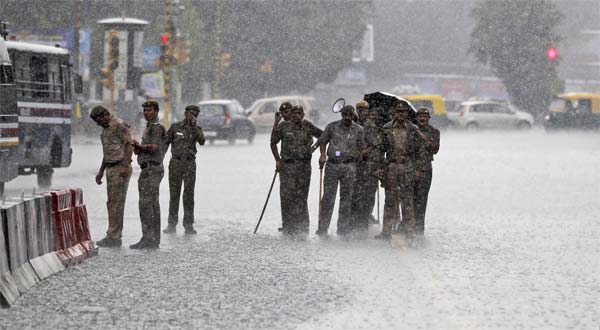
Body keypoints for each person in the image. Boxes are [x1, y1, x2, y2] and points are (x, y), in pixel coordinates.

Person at [270, 105, 322, 235]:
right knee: (287, 196)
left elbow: (323, 135)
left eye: (299, 113)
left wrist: (314, 147)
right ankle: (287, 224)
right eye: (294, 113)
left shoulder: (307, 125)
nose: (296, 115)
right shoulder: (283, 126)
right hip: (287, 166)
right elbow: (273, 142)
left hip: (304, 165)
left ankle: (302, 225)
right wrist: (277, 160)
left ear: (303, 115)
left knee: (301, 196)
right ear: (291, 114)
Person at [375, 101, 422, 241]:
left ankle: (410, 233)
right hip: (391, 167)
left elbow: (419, 152)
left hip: (407, 167)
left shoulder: (413, 129)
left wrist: (418, 169)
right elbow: (380, 150)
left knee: (407, 201)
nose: (400, 114)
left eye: (403, 111)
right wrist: (378, 167)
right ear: (393, 113)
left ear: (407, 113)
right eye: (398, 111)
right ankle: (386, 232)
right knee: (390, 201)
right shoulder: (386, 128)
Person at [316, 105, 364, 236]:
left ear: (353, 115)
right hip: (332, 165)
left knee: (346, 199)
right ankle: (322, 227)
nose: (346, 117)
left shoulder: (359, 130)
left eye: (349, 114)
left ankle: (342, 228)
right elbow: (323, 141)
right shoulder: (332, 126)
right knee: (327, 198)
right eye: (344, 114)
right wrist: (322, 155)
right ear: (341, 114)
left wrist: (359, 155)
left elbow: (363, 146)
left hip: (349, 166)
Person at [90, 105, 133, 248]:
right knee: (112, 203)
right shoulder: (106, 130)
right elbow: (107, 152)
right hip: (110, 168)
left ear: (104, 115)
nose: (97, 124)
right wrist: (101, 171)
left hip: (120, 167)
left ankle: (114, 236)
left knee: (117, 203)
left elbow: (129, 145)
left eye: (98, 121)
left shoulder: (119, 126)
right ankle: (113, 234)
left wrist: (125, 166)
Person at [163, 105, 206, 235]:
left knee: (188, 195)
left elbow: (202, 141)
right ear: (185, 113)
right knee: (174, 194)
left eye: (194, 115)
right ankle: (171, 224)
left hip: (189, 163)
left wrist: (194, 127)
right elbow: (165, 143)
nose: (191, 116)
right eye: (189, 114)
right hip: (175, 163)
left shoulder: (196, 129)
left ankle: (188, 225)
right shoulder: (175, 127)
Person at [130, 100, 167, 249]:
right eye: (145, 110)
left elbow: (154, 147)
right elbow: (148, 148)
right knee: (152, 205)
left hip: (152, 169)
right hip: (149, 168)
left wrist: (139, 146)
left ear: (156, 111)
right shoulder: (149, 127)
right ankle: (151, 239)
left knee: (146, 205)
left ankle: (148, 238)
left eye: (149, 110)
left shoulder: (157, 128)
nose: (146, 113)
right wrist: (139, 149)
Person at [351, 103, 383, 233]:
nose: (361, 112)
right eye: (359, 109)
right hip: (354, 164)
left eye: (364, 109)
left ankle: (365, 219)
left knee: (369, 194)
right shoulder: (352, 122)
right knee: (354, 193)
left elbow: (376, 144)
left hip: (370, 163)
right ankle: (354, 220)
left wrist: (365, 153)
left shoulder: (371, 126)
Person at [413, 107, 440, 235]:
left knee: (422, 199)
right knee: (408, 199)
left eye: (425, 116)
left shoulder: (434, 131)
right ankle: (407, 225)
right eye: (420, 116)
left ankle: (419, 228)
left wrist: (425, 139)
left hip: (426, 168)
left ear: (429, 118)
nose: (422, 119)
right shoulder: (411, 130)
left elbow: (435, 149)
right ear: (416, 118)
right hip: (411, 168)